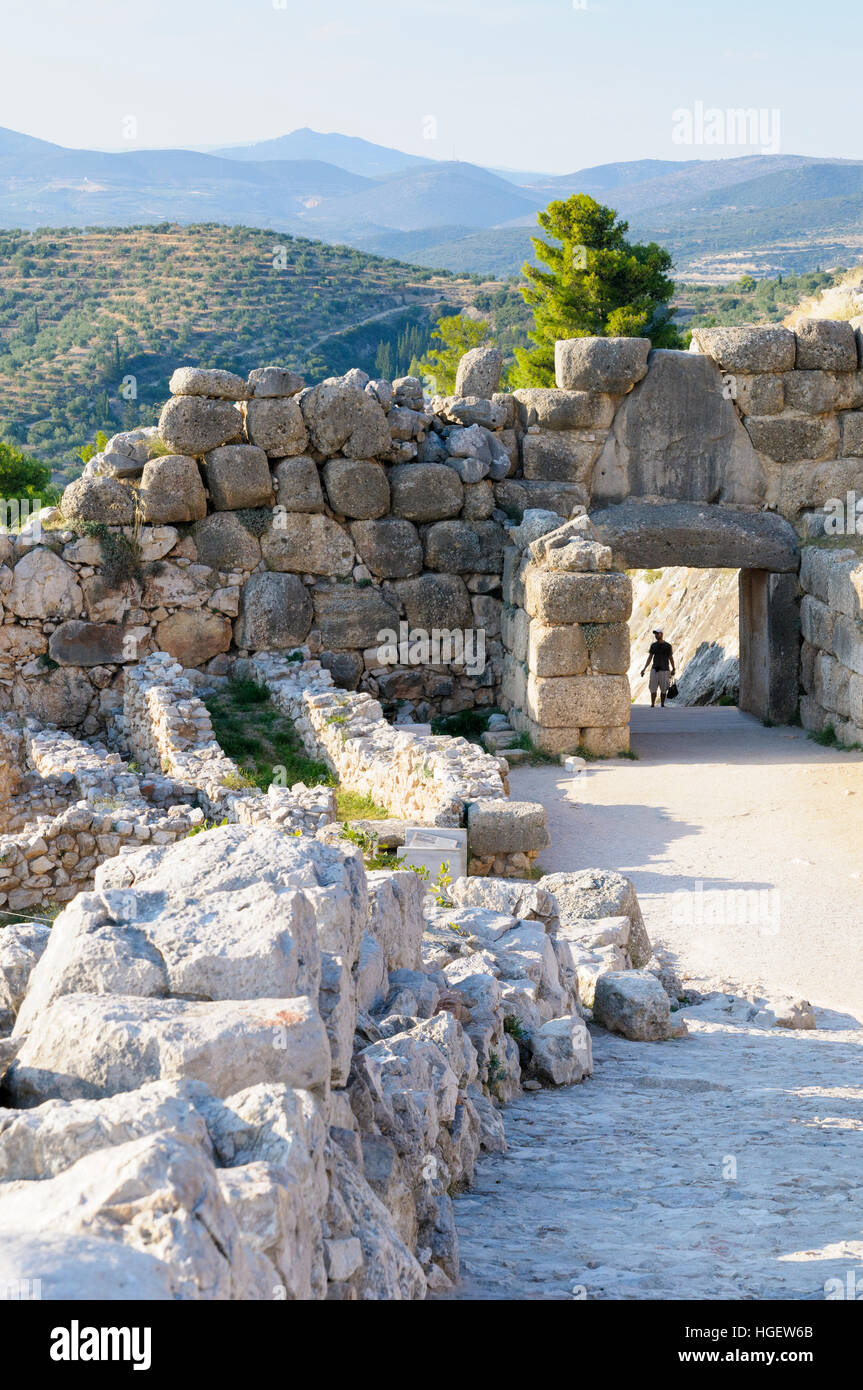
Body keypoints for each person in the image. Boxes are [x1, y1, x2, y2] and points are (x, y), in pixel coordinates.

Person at [640, 627, 675, 707]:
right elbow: (650, 657)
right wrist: (644, 668)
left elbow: (670, 658)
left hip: (665, 670)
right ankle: (652, 704)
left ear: (661, 634)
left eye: (657, 633)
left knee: (664, 689)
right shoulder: (653, 645)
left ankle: (662, 704)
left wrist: (673, 668)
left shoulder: (668, 646)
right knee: (653, 688)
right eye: (655, 634)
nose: (656, 635)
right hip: (655, 669)